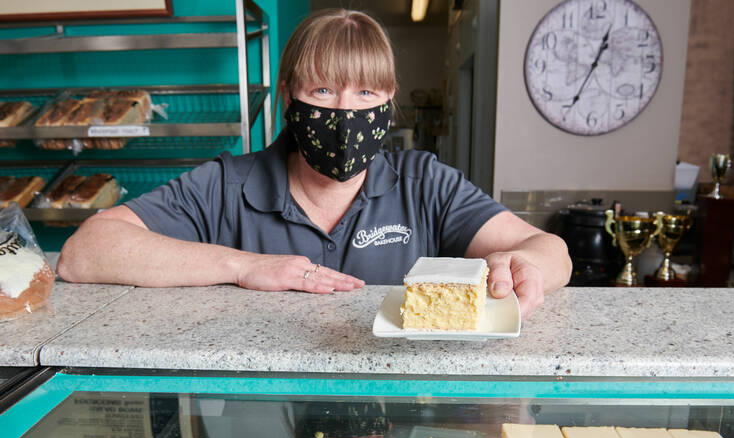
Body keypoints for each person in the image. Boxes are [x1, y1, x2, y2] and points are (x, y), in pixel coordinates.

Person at [57, 9, 571, 318]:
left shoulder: (424, 183)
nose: (346, 111)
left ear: (388, 100)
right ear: (289, 96)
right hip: (257, 425)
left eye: (365, 92)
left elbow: (552, 251)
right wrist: (242, 266)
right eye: (322, 90)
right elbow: (83, 253)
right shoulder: (227, 184)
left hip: (396, 411)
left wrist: (522, 267)